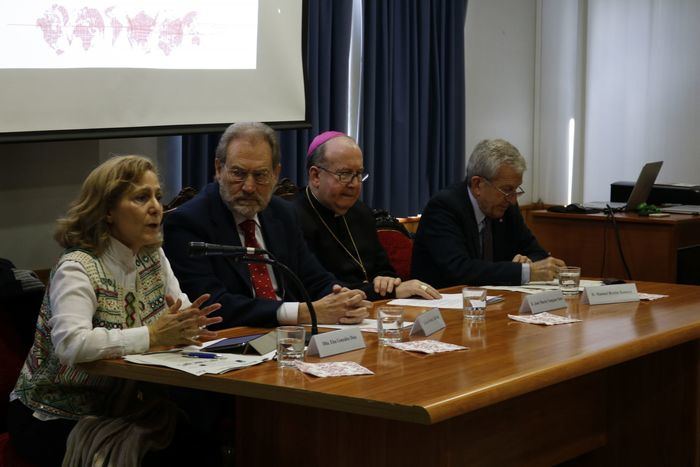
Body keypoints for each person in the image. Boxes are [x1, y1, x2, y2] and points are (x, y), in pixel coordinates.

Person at [7, 155, 223, 466]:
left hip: (121, 404)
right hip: (52, 414)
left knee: (200, 440)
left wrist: (190, 326)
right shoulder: (78, 266)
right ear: (107, 210)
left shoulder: (152, 255)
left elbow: (179, 314)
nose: (156, 207)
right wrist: (150, 335)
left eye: (157, 196)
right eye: (140, 197)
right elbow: (71, 344)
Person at [163, 122, 371, 329]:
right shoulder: (188, 222)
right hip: (232, 342)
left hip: (291, 338)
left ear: (275, 173)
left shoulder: (283, 213)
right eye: (238, 173)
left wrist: (344, 298)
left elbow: (314, 278)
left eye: (260, 175)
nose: (249, 187)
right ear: (219, 169)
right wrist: (301, 312)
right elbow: (212, 306)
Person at [292, 131, 441, 300]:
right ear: (315, 176)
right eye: (345, 174)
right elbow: (320, 288)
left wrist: (385, 280)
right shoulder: (293, 218)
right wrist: (384, 291)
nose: (355, 184)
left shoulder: (361, 212)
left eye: (359, 174)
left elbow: (383, 269)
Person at [412, 139, 565, 287]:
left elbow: (537, 252)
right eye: (506, 189)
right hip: (440, 303)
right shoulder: (444, 207)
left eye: (515, 189)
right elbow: (460, 269)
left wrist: (528, 262)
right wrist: (524, 272)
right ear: (478, 185)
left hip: (491, 302)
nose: (512, 199)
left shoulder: (506, 207)